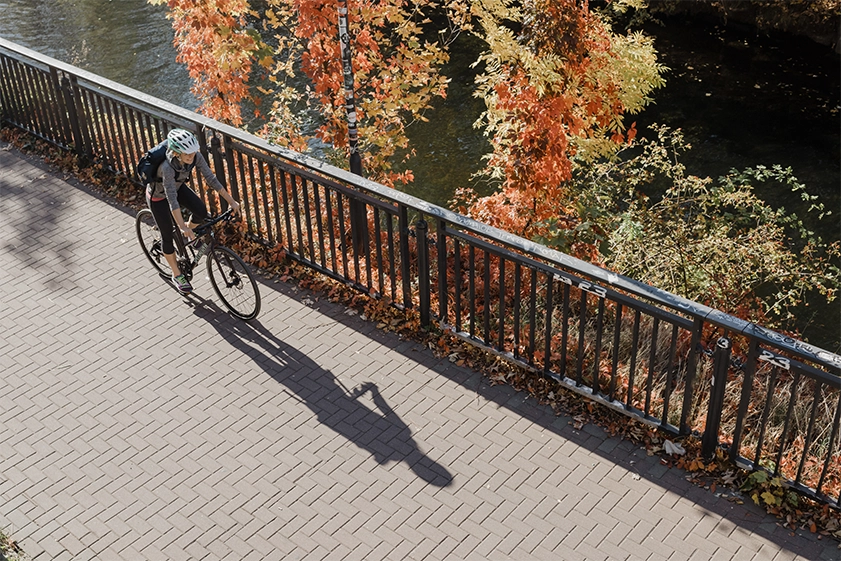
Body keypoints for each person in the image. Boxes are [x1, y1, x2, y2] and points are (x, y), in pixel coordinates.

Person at [145, 128, 241, 293]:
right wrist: (182, 226)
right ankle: (177, 275)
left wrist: (232, 202)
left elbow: (211, 178)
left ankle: (191, 233)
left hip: (178, 187)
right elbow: (171, 199)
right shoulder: (167, 168)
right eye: (187, 154)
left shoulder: (195, 156)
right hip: (158, 197)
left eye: (193, 153)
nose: (191, 157)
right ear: (176, 153)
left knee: (201, 211)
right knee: (167, 234)